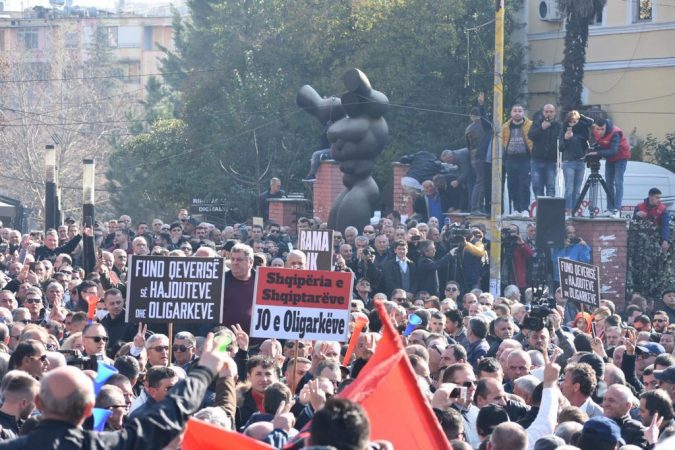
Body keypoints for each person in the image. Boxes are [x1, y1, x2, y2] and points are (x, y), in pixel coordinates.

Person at [0, 333, 229, 450]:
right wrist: (205, 370)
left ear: (38, 402)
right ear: (89, 408)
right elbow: (166, 416)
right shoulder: (108, 445)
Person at [587, 118, 631, 216]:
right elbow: (600, 144)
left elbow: (613, 151)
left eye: (602, 129)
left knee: (618, 182)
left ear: (606, 126)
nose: (600, 132)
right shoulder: (595, 130)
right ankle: (610, 208)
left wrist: (597, 152)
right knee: (608, 183)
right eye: (598, 129)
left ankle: (617, 210)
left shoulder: (615, 133)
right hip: (610, 158)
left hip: (621, 157)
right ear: (595, 127)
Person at [560, 110, 594, 216]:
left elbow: (591, 121)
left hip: (580, 162)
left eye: (575, 121)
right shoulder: (564, 129)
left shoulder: (582, 130)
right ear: (567, 121)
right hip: (568, 162)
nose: (572, 124)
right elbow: (560, 148)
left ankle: (575, 211)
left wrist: (581, 116)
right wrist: (565, 139)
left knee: (578, 190)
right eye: (570, 121)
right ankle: (568, 210)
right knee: (569, 188)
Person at [501, 104, 533, 216]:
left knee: (524, 184)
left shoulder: (530, 125)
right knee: (512, 184)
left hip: (525, 158)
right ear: (511, 113)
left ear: (523, 113)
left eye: (520, 111)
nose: (517, 113)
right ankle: (515, 209)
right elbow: (503, 142)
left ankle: (524, 209)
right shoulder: (505, 127)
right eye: (515, 111)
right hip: (510, 158)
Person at [465, 92, 492, 215]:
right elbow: (486, 120)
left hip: (473, 156)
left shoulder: (468, 128)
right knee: (481, 181)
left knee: (478, 181)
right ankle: (476, 208)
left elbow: (468, 146)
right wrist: (482, 105)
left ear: (471, 116)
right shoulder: (483, 124)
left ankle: (477, 207)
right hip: (482, 155)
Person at [528, 104, 562, 198]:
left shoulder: (558, 125)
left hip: (551, 162)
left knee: (551, 187)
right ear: (543, 113)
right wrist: (541, 128)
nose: (548, 114)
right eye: (546, 111)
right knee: (537, 187)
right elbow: (531, 136)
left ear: (554, 113)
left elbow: (562, 142)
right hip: (536, 161)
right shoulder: (537, 123)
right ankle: (540, 210)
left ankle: (550, 211)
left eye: (551, 112)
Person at [634, 187, 671, 253]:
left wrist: (665, 240)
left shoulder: (663, 209)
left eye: (660, 198)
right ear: (650, 197)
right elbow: (633, 223)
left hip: (656, 239)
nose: (659, 200)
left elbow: (665, 225)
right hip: (641, 241)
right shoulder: (639, 207)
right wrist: (637, 215)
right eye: (657, 198)